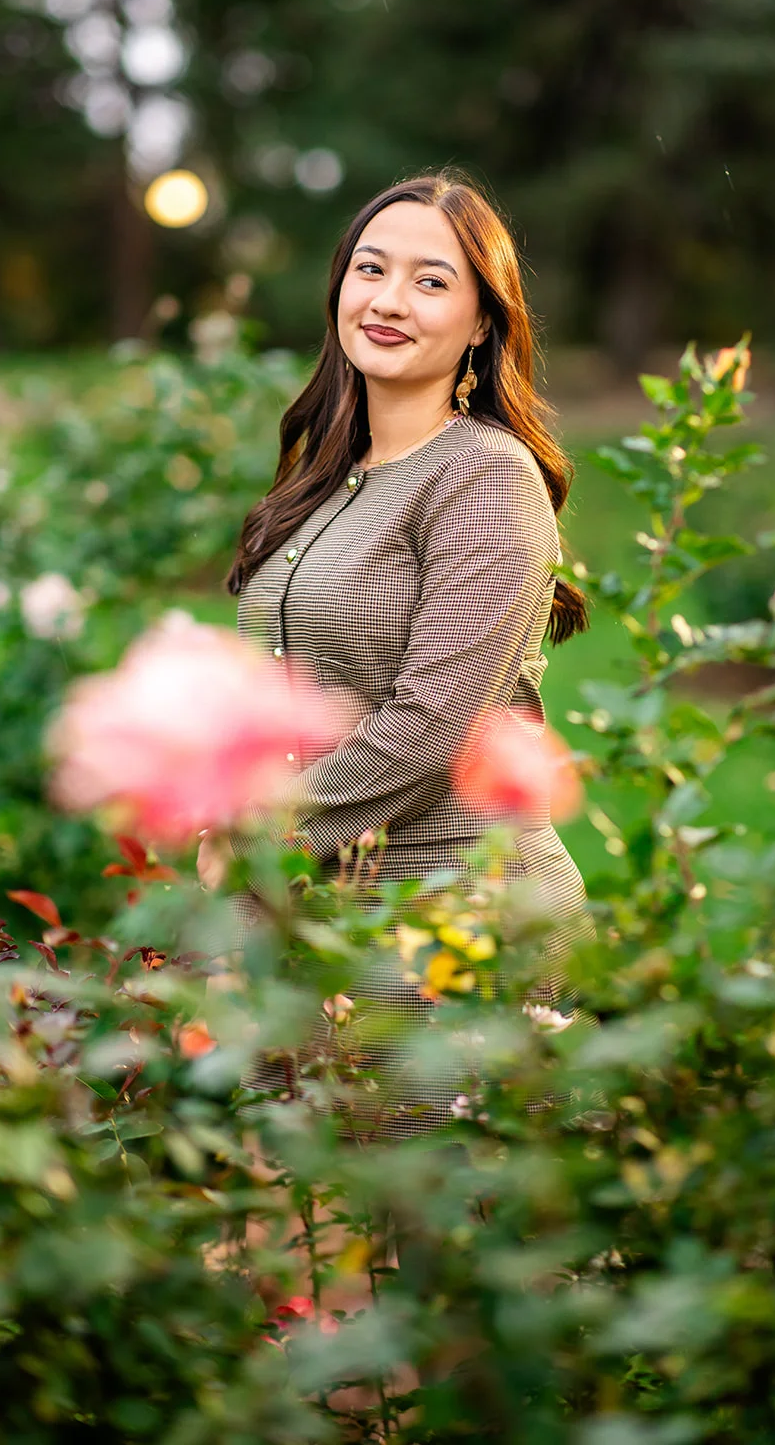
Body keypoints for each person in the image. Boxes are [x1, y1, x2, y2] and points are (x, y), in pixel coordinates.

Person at [214, 170, 595, 1137]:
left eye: (431, 282)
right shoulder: (333, 477)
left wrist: (265, 842)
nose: (386, 301)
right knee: (325, 1243)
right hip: (332, 906)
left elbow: (436, 723)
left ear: (479, 323)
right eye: (370, 270)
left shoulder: (482, 476)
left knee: (445, 1247)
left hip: (455, 920)